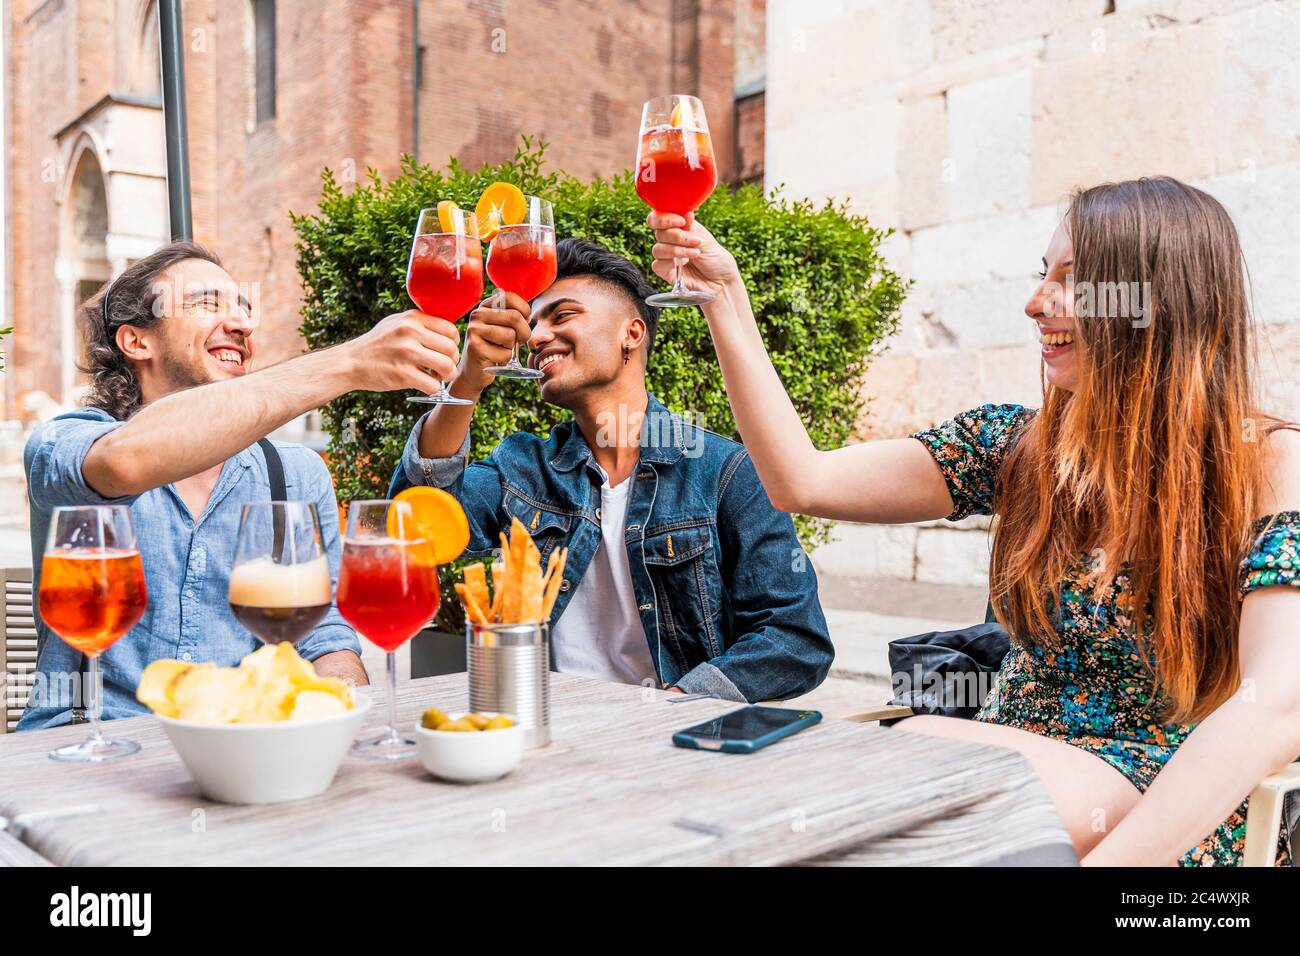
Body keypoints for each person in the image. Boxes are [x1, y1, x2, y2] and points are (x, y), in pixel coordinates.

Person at [648, 177, 1300, 866]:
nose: (1034, 302)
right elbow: (802, 480)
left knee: (923, 796)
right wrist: (725, 304)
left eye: (1071, 280)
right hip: (999, 769)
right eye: (1041, 274)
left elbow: (1276, 705)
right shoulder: (1013, 446)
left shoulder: (1267, 462)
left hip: (1172, 804)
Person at [20, 240, 463, 729]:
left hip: (241, 742)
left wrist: (339, 708)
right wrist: (346, 364)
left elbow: (323, 635)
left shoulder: (295, 473)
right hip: (91, 745)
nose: (243, 324)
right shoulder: (64, 442)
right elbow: (126, 461)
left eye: (244, 308)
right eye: (209, 303)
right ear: (136, 341)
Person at [389, 238, 832, 701]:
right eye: (534, 323)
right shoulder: (524, 467)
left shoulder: (727, 474)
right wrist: (467, 380)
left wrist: (677, 704)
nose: (536, 337)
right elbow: (413, 527)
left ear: (632, 334)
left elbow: (794, 638)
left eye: (562, 316)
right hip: (543, 727)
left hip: (672, 740)